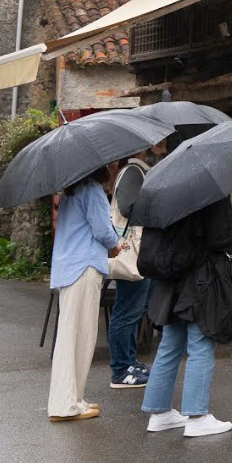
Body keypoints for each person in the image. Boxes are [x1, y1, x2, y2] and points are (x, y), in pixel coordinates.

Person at [141, 190, 232, 438]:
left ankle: (159, 413)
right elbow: (219, 238)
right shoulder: (212, 192)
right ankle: (197, 417)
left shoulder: (169, 191)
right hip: (201, 277)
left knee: (170, 345)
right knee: (201, 343)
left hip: (172, 277)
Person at [48, 167, 121, 422]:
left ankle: (73, 399)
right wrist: (115, 245)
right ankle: (65, 403)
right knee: (78, 335)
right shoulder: (92, 190)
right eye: (111, 166)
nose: (114, 169)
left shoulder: (71, 190)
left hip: (69, 267)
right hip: (84, 266)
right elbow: (102, 231)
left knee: (73, 334)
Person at [107, 143, 162, 390]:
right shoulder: (132, 171)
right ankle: (120, 370)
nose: (158, 145)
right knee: (127, 311)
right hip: (134, 253)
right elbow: (129, 207)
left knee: (132, 310)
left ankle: (129, 363)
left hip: (138, 253)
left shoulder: (135, 171)